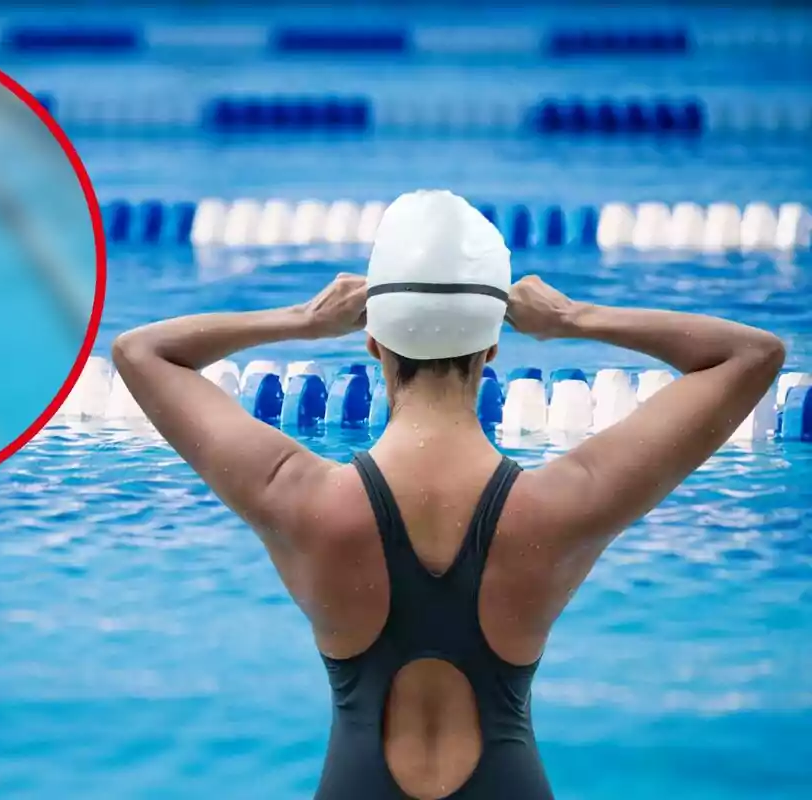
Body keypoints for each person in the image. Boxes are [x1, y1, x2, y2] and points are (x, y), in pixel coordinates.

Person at [111, 190, 785, 799]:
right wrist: (574, 317)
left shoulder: (298, 498)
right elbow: (751, 355)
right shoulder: (562, 506)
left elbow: (143, 352)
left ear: (373, 341)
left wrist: (302, 319)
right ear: (492, 350)